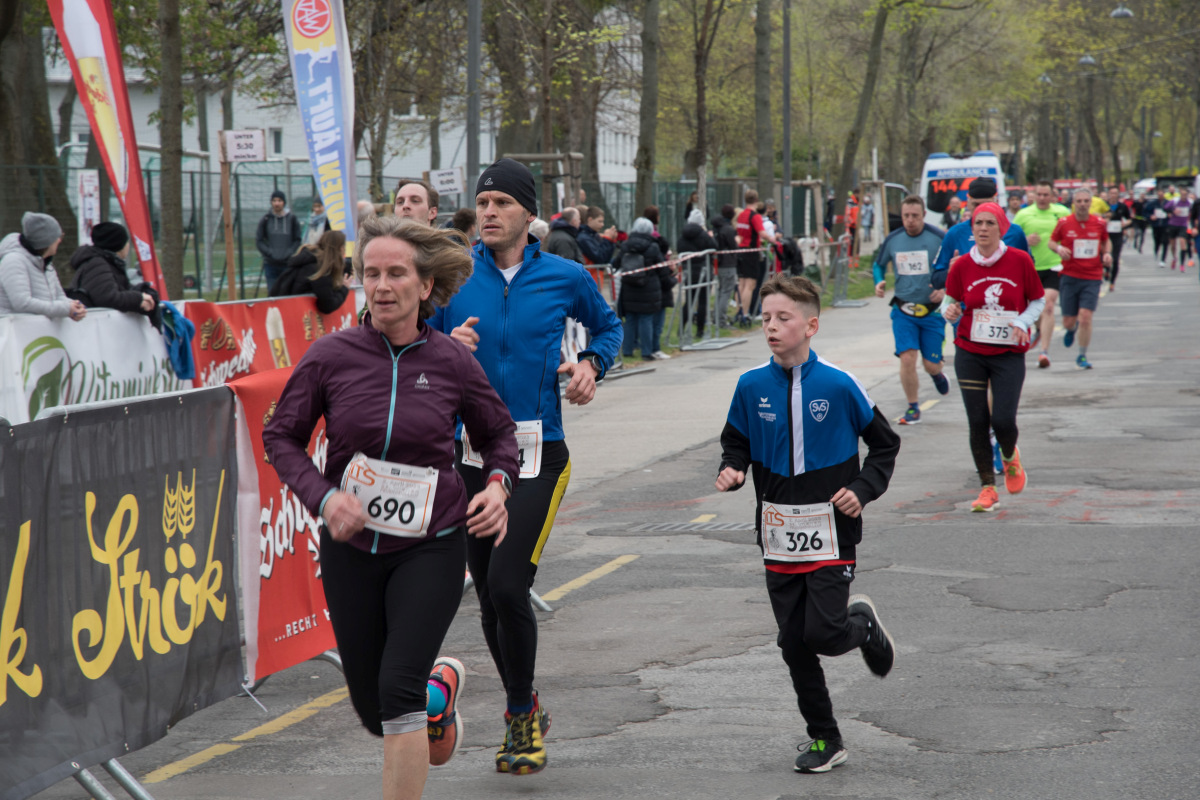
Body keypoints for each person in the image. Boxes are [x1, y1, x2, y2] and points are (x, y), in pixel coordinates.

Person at [262, 215, 520, 800]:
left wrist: (497, 487)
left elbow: (499, 434)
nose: (381, 286)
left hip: (431, 545)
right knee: (375, 708)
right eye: (370, 273)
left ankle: (419, 699)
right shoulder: (331, 356)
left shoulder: (452, 361)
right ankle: (438, 695)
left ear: (425, 286)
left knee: (397, 691)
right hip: (351, 547)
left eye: (396, 273)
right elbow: (281, 436)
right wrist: (325, 497)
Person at [430, 158, 622, 776]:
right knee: (489, 596)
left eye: (502, 203)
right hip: (470, 457)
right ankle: (528, 701)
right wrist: (442, 348)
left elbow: (609, 327)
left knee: (510, 585)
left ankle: (518, 716)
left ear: (528, 213)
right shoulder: (454, 276)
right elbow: (406, 344)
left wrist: (591, 363)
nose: (488, 212)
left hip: (539, 456)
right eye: (482, 203)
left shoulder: (565, 276)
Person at [715, 273, 900, 775]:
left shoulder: (839, 384)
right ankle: (826, 739)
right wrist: (732, 469)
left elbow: (884, 444)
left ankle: (862, 626)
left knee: (824, 634)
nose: (771, 327)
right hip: (777, 533)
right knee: (794, 645)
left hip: (832, 528)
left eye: (783, 318)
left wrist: (862, 490)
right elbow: (736, 441)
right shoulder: (750, 385)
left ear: (811, 326)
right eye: (765, 319)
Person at [940, 202, 1044, 512]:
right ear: (971, 229)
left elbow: (1037, 300)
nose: (983, 228)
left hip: (1008, 353)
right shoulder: (961, 265)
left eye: (989, 223)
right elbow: (949, 301)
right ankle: (987, 487)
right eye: (978, 223)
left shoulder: (1019, 260)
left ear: (1002, 229)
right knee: (977, 421)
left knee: (1002, 420)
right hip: (970, 350)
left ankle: (1010, 455)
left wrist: (1022, 322)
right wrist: (949, 311)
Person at [872, 195, 950, 424]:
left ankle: (937, 373)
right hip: (903, 310)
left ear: (923, 215)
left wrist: (945, 289)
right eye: (906, 215)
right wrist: (878, 281)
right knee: (907, 358)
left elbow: (955, 267)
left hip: (932, 311)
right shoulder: (893, 239)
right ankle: (913, 407)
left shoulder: (939, 238)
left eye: (915, 216)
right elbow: (878, 264)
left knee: (930, 365)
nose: (910, 220)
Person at [1050, 188, 1111, 370]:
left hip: (1092, 277)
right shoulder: (1064, 223)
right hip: (1069, 276)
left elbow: (1106, 240)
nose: (1083, 204)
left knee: (1085, 317)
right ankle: (1071, 328)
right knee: (1068, 321)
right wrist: (1059, 249)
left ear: (1091, 203)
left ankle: (1082, 355)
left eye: (1086, 201)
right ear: (1074, 203)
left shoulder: (1099, 223)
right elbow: (1051, 242)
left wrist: (1107, 253)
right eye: (1079, 201)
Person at [1012, 181, 1071, 369]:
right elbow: (1010, 240)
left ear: (1052, 196)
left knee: (1048, 305)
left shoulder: (1062, 212)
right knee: (1032, 306)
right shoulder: (1023, 215)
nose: (1043, 198)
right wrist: (1026, 240)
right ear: (1034, 195)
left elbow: (1071, 235)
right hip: (1030, 267)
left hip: (1054, 266)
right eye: (1039, 195)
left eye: (1046, 195)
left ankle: (1044, 352)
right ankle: (1038, 328)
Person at [0, 212, 86, 321]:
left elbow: (59, 296)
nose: (59, 240)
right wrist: (66, 309)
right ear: (45, 241)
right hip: (15, 329)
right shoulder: (13, 261)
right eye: (58, 237)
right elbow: (22, 303)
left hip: (38, 330)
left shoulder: (46, 262)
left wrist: (75, 306)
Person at [67, 221, 158, 317]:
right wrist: (139, 299)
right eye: (127, 241)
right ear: (119, 244)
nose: (128, 245)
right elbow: (106, 298)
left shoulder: (105, 262)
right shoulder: (98, 265)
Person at [614, 216, 669, 361]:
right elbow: (662, 268)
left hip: (629, 287)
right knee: (646, 319)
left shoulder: (625, 245)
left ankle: (627, 350)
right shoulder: (653, 247)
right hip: (648, 288)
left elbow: (616, 263)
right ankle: (646, 352)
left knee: (630, 319)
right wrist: (668, 280)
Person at [270, 229, 351, 313]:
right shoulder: (320, 269)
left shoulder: (311, 261)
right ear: (340, 249)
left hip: (288, 309)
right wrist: (344, 289)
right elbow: (327, 305)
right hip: (296, 313)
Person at [735, 189, 777, 327]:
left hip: (740, 250)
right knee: (750, 285)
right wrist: (772, 239)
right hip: (751, 252)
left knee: (741, 284)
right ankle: (745, 315)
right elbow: (762, 233)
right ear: (756, 200)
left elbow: (739, 233)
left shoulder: (741, 215)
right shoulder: (755, 216)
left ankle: (739, 312)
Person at [678, 207, 717, 340]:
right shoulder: (703, 234)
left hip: (688, 270)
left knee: (689, 300)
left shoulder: (683, 235)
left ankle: (681, 328)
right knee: (702, 301)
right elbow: (714, 247)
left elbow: (679, 248)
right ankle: (700, 330)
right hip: (703, 270)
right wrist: (710, 236)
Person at [256, 190, 302, 291]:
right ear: (271, 202)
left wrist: (290, 252)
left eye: (279, 200)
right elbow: (259, 240)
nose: (277, 203)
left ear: (284, 202)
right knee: (273, 293)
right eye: (274, 201)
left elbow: (297, 239)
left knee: (287, 292)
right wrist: (269, 252)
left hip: (287, 264)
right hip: (270, 264)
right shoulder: (266, 219)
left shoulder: (292, 219)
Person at [711, 204, 739, 327]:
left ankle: (715, 316)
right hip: (728, 263)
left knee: (721, 290)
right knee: (726, 291)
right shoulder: (728, 229)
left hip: (719, 262)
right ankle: (721, 320)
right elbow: (733, 246)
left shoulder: (716, 227)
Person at [1103, 186, 1132, 291]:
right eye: (1111, 193)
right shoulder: (1104, 206)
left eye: (1115, 193)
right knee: (1105, 257)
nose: (1113, 195)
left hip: (1117, 235)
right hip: (1105, 236)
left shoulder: (1122, 206)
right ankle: (1106, 270)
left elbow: (1129, 219)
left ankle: (1112, 282)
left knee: (1115, 259)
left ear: (1118, 194)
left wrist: (1125, 224)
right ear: (1108, 194)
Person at [1164, 188, 1193, 272]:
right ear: (1180, 194)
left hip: (1183, 225)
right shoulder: (1175, 201)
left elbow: (1194, 211)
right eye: (1182, 194)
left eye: (1185, 194)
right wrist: (1173, 211)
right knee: (1173, 245)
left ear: (1187, 195)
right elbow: (1165, 208)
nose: (1184, 196)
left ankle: (1182, 264)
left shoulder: (1190, 202)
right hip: (1173, 224)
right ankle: (1174, 258)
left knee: (1182, 243)